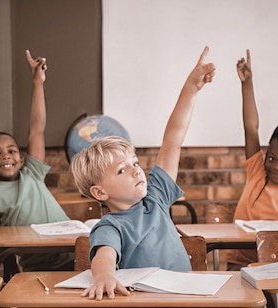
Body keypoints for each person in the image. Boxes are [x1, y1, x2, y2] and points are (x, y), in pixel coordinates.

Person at [70, 46, 216, 300]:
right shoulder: (110, 226)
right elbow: (104, 256)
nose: (136, 170)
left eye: (135, 163)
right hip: (146, 302)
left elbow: (172, 140)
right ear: (99, 191)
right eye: (122, 170)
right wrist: (104, 276)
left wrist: (191, 88)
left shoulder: (156, 197)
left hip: (188, 298)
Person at [0, 49, 73, 277]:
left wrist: (37, 82)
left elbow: (37, 128)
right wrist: (10, 273)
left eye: (11, 151)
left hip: (74, 252)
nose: (6, 156)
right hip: (38, 264)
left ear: (21, 158)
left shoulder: (32, 174)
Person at [226, 49, 278, 270]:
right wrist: (247, 84)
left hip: (274, 268)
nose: (275, 166)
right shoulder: (257, 172)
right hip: (238, 264)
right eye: (272, 157)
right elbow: (251, 128)